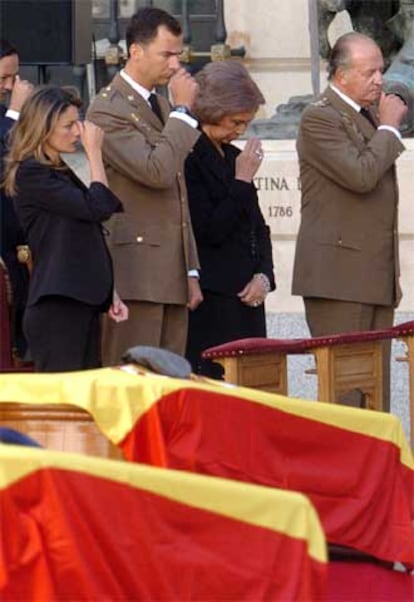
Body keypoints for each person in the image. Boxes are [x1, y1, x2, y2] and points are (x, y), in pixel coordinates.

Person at [292, 32, 407, 409]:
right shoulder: (320, 117)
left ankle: (374, 469)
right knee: (347, 395)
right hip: (338, 279)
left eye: (381, 70)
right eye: (370, 71)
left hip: (371, 276)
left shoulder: (362, 116)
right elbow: (361, 174)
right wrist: (389, 127)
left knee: (375, 395)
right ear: (342, 76)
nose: (380, 79)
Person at [87, 7, 202, 365]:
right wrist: (184, 112)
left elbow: (179, 196)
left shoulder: (162, 106)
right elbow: (156, 171)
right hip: (135, 274)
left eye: (178, 55)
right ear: (135, 51)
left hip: (170, 273)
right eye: (166, 54)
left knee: (168, 390)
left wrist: (191, 269)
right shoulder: (108, 109)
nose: (175, 65)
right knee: (133, 384)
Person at [3, 86, 127, 372]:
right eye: (69, 125)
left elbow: (88, 229)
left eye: (77, 123)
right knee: (63, 405)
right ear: (44, 128)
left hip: (80, 301)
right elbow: (99, 207)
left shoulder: (60, 171)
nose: (77, 132)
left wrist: (110, 292)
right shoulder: (31, 172)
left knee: (83, 402)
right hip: (56, 306)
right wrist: (95, 153)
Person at [184, 61, 276, 378]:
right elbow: (208, 229)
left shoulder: (236, 157)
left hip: (248, 295)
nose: (240, 131)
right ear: (212, 110)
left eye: (246, 123)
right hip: (213, 297)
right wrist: (241, 182)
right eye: (235, 121)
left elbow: (258, 227)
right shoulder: (189, 155)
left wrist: (264, 275)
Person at [0, 39, 33, 360]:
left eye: (14, 78)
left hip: (18, 247)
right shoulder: (10, 115)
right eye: (2, 79)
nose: (10, 87)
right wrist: (14, 113)